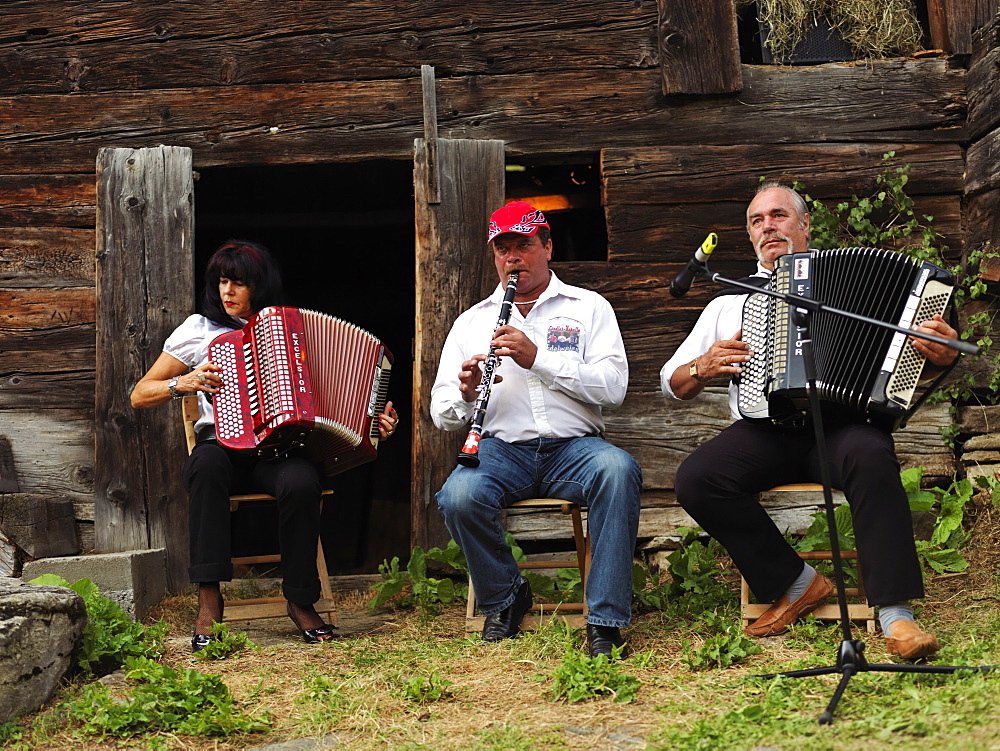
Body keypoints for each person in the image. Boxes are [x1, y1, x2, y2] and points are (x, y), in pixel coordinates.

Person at [660, 183, 959, 659]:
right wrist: (701, 367)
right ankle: (797, 582)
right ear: (750, 236)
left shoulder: (853, 282)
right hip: (764, 431)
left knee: (871, 453)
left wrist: (941, 355)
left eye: (778, 215)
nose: (767, 227)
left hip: (842, 426)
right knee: (697, 478)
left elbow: (932, 352)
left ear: (804, 225)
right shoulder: (728, 304)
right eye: (757, 221)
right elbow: (670, 382)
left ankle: (895, 616)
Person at [130, 239, 398, 651]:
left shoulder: (292, 329)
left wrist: (374, 420)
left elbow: (333, 389)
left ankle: (300, 599)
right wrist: (181, 383)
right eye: (222, 282)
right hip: (220, 445)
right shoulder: (199, 329)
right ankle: (208, 598)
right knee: (205, 467)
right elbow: (139, 393)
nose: (227, 292)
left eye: (238, 283)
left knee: (301, 482)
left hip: (277, 450)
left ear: (259, 285)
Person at [431, 201, 642, 658]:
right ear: (494, 257)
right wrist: (466, 394)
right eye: (503, 249)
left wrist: (537, 359)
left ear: (547, 248)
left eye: (524, 246)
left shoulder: (589, 308)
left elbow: (613, 389)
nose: (513, 258)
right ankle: (507, 597)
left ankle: (604, 621)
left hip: (576, 448)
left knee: (618, 471)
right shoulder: (471, 323)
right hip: (502, 449)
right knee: (458, 496)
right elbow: (441, 413)